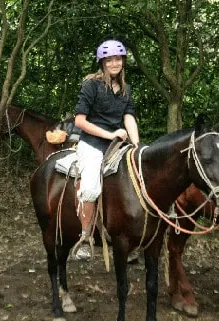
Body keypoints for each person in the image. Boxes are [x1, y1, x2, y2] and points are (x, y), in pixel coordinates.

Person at [71, 39, 140, 261]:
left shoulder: (126, 90)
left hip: (117, 145)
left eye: (117, 59)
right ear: (102, 62)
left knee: (134, 184)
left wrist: (136, 145)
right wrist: (109, 134)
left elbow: (129, 118)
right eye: (109, 60)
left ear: (123, 61)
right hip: (92, 143)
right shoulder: (91, 85)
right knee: (90, 189)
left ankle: (127, 240)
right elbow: (80, 121)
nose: (114, 64)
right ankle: (84, 238)